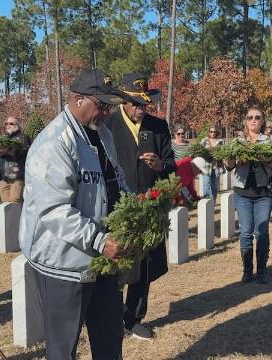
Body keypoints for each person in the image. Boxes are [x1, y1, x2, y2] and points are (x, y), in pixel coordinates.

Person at [19, 69, 131, 360]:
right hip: (64, 263)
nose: (106, 112)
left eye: (109, 106)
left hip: (102, 256)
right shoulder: (54, 143)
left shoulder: (101, 134)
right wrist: (99, 240)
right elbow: (54, 210)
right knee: (63, 346)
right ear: (79, 100)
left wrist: (134, 205)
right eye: (102, 105)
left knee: (109, 336)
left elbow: (115, 179)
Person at [105, 72, 176, 340]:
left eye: (144, 104)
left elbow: (171, 164)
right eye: (135, 103)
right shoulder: (107, 126)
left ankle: (133, 318)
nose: (140, 109)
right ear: (123, 101)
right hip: (117, 209)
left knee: (144, 266)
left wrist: (160, 165)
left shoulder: (159, 127)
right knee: (116, 264)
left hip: (149, 207)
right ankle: (111, 316)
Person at [223, 106, 272, 283]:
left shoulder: (270, 140)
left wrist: (263, 158)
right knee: (246, 232)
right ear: (245, 121)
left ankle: (262, 270)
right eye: (250, 117)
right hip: (243, 193)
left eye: (257, 117)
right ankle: (247, 271)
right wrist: (233, 159)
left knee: (261, 232)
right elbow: (229, 165)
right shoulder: (237, 142)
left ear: (263, 121)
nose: (254, 120)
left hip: (264, 193)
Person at [0, 116, 30, 203]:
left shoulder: (23, 138)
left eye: (11, 123)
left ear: (18, 125)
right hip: (3, 178)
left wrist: (1, 150)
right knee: (6, 205)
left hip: (17, 177)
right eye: (6, 123)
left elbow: (13, 150)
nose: (8, 125)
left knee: (15, 201)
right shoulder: (3, 138)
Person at [200, 125, 223, 200]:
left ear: (217, 132)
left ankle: (212, 204)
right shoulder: (204, 140)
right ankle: (205, 203)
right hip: (206, 165)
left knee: (214, 186)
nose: (213, 133)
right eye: (211, 131)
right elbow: (199, 151)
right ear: (208, 132)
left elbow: (224, 152)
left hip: (217, 166)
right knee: (206, 184)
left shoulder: (221, 141)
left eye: (214, 132)